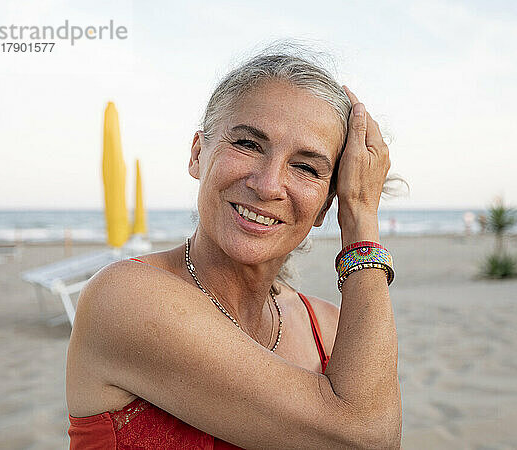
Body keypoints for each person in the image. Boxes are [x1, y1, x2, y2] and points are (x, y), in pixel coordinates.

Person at [66, 46, 402, 449]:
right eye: (248, 144)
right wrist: (362, 218)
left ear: (325, 206)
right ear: (197, 154)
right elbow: (366, 435)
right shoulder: (125, 297)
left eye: (306, 167)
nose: (268, 184)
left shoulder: (328, 328)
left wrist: (359, 207)